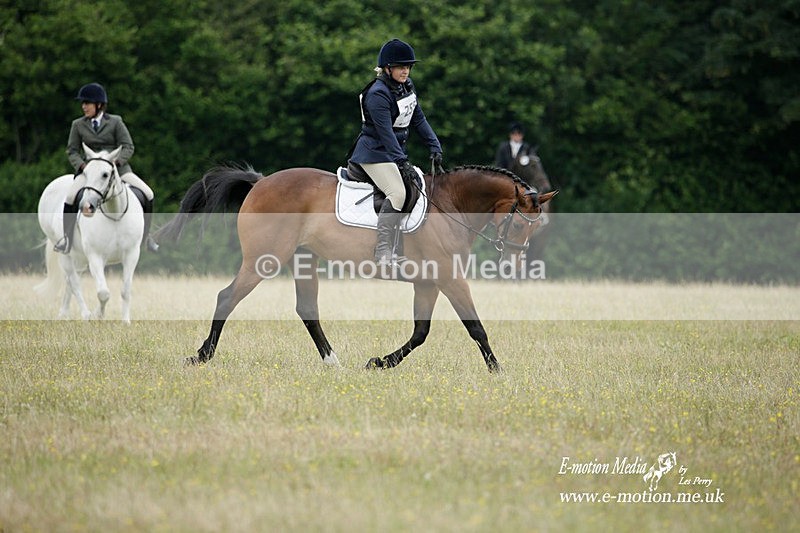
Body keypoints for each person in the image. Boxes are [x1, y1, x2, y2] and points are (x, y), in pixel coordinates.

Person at [348, 39, 444, 265]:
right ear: (387, 68)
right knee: (398, 193)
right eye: (401, 67)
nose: (406, 71)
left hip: (391, 153)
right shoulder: (377, 94)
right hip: (373, 154)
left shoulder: (406, 86)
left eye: (408, 66)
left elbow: (418, 118)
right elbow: (385, 134)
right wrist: (402, 162)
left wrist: (434, 145)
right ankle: (383, 251)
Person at [55, 82, 158, 254]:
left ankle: (146, 237)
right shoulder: (78, 125)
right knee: (71, 196)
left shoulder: (115, 122)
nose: (84, 106)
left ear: (99, 105)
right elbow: (72, 150)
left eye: (87, 103)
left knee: (148, 193)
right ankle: (67, 239)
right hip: (89, 172)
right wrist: (82, 165)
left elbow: (128, 146)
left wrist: (116, 163)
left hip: (117, 171)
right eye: (83, 103)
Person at [494, 121, 551, 193]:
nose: (517, 136)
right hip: (505, 179)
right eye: (514, 133)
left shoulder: (527, 148)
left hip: (522, 181)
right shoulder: (503, 147)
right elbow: (499, 164)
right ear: (511, 135)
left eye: (519, 134)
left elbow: (533, 165)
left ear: (522, 135)